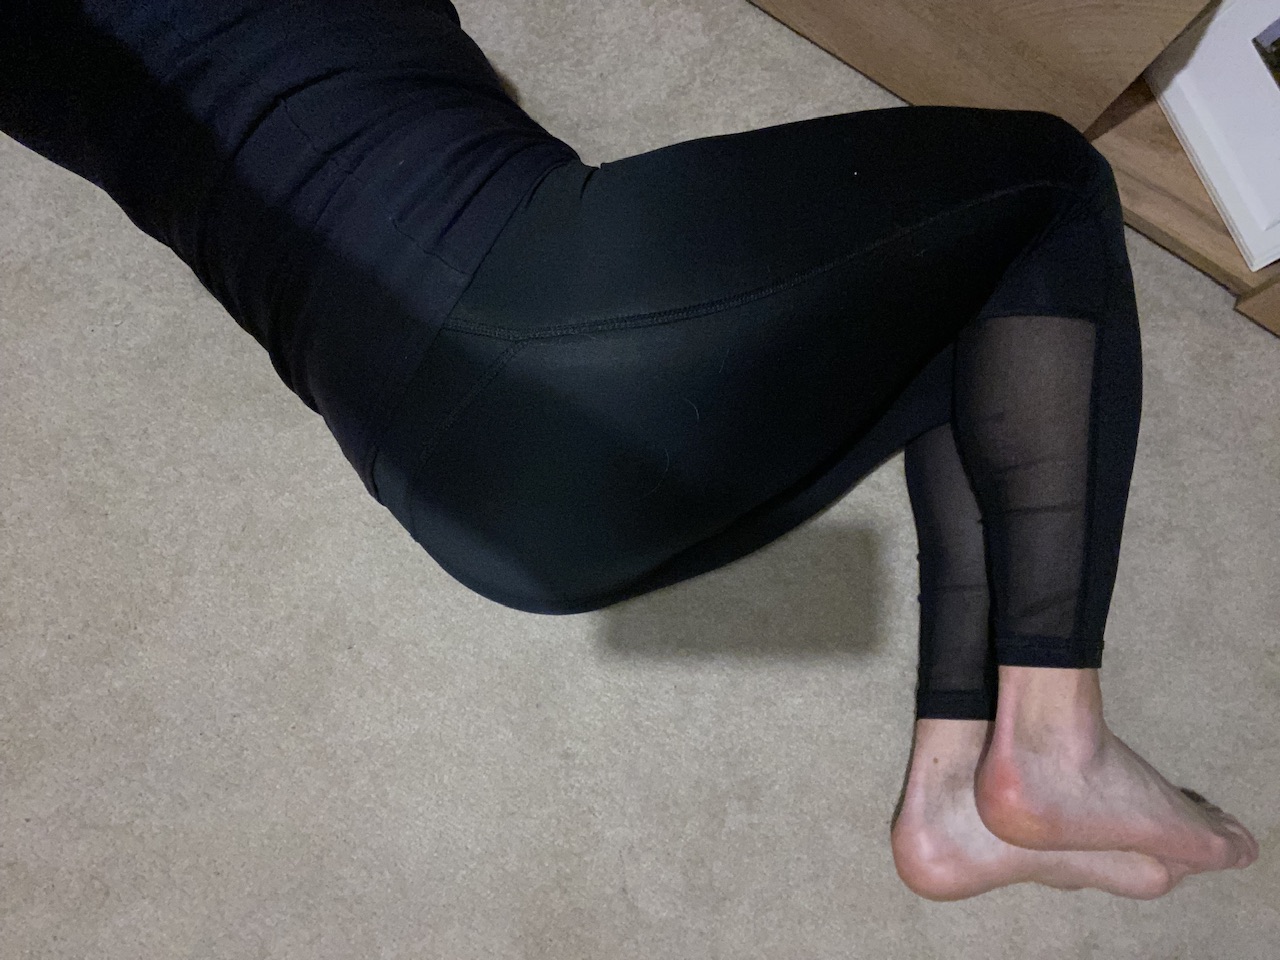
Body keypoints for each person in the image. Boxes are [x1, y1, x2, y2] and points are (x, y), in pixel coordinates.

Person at [2, 0, 1258, 901]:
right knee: (1047, 193)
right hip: (543, 319)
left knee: (947, 310)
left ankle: (953, 791)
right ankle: (1055, 734)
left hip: (460, 504)